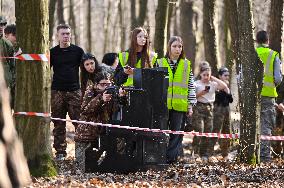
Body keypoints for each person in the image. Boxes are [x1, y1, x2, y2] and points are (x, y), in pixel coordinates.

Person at [156, 36, 196, 163]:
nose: (177, 49)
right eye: (174, 46)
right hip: (163, 105)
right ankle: (160, 157)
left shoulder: (186, 64)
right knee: (160, 133)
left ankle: (170, 159)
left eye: (180, 46)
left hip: (180, 106)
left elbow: (191, 86)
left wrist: (190, 105)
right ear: (169, 47)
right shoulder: (160, 62)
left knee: (177, 134)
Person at [50, 24, 84, 160]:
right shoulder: (52, 52)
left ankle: (81, 152)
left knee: (79, 122)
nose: (66, 36)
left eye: (68, 34)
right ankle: (60, 152)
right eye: (63, 34)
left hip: (74, 90)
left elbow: (87, 68)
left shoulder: (78, 51)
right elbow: (46, 71)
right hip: (57, 90)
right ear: (58, 35)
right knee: (58, 123)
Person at [75, 71, 119, 172]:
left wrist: (120, 97)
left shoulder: (112, 92)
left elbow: (115, 111)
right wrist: (100, 99)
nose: (105, 87)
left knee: (103, 167)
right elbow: (85, 110)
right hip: (86, 136)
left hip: (103, 134)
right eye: (102, 84)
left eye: (108, 84)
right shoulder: (90, 92)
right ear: (96, 85)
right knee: (83, 169)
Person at [192, 61, 229, 162]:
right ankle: (195, 153)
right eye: (204, 75)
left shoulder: (213, 84)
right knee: (200, 130)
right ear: (200, 74)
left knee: (208, 131)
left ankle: (204, 154)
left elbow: (225, 87)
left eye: (207, 75)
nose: (206, 77)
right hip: (198, 107)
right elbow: (192, 97)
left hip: (210, 108)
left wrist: (213, 78)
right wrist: (201, 93)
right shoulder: (196, 84)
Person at [256, 30, 282, 162]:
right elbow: (278, 78)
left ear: (256, 41)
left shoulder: (251, 54)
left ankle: (252, 153)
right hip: (268, 95)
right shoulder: (273, 55)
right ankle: (264, 157)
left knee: (253, 124)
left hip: (252, 97)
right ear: (268, 41)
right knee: (266, 126)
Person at [208, 67, 233, 161]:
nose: (227, 77)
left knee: (227, 132)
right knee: (215, 131)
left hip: (227, 110)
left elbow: (231, 100)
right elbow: (215, 98)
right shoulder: (215, 85)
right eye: (225, 75)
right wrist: (224, 90)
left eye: (228, 75)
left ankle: (225, 154)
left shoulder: (227, 86)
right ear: (220, 76)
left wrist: (228, 92)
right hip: (218, 110)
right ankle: (210, 153)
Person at [0, 16, 14, 108]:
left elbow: (12, 66)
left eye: (3, 25)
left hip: (4, 86)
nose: (1, 27)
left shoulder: (8, 44)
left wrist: (11, 81)